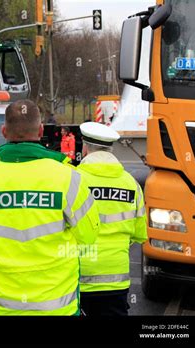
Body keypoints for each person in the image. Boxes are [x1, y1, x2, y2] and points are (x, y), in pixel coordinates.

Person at [0, 100, 100, 316]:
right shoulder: (68, 178)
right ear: (41, 130)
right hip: (54, 304)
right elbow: (88, 236)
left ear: (4, 131)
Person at [77, 122, 147, 316]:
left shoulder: (72, 179)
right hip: (116, 279)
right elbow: (139, 234)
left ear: (85, 148)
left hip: (78, 277)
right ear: (111, 150)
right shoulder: (131, 183)